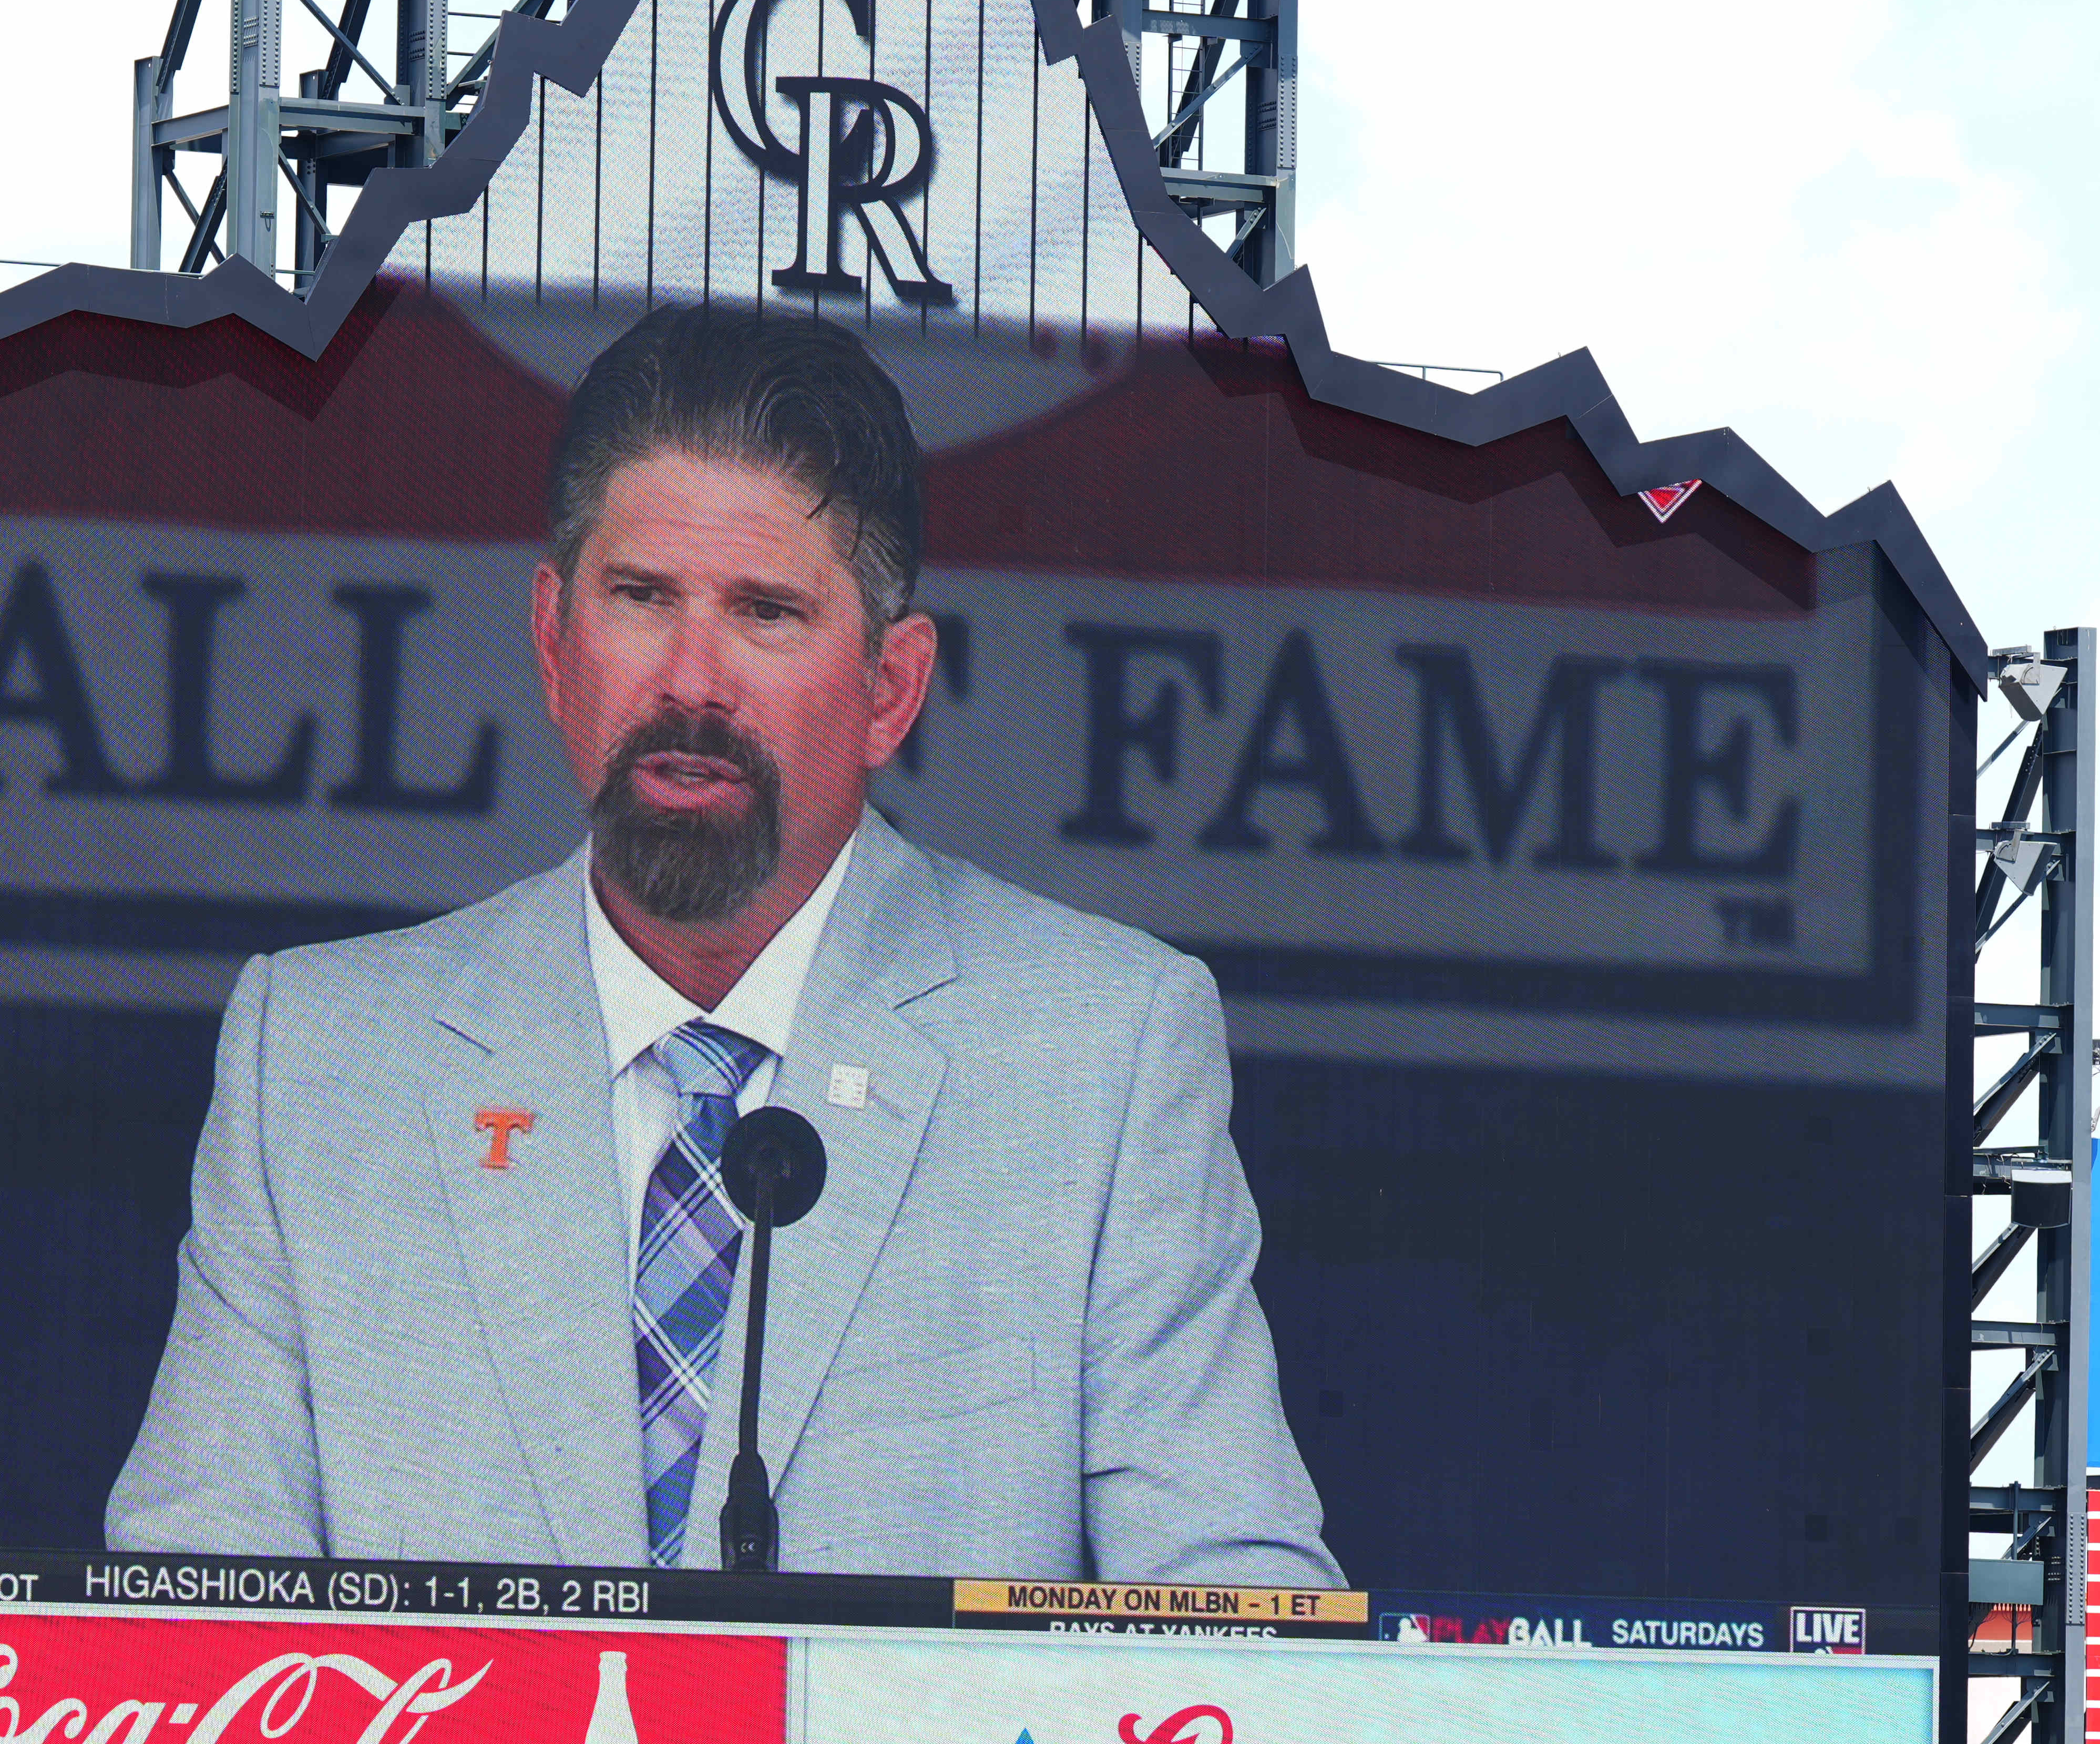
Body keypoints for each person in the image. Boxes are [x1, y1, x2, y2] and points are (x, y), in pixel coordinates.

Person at [106, 303, 1339, 1582]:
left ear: (890, 687)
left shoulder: (1102, 1050)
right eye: (641, 596)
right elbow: (186, 1609)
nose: (692, 677)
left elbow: (1236, 1627)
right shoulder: (312, 1062)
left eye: (765, 611)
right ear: (551, 641)